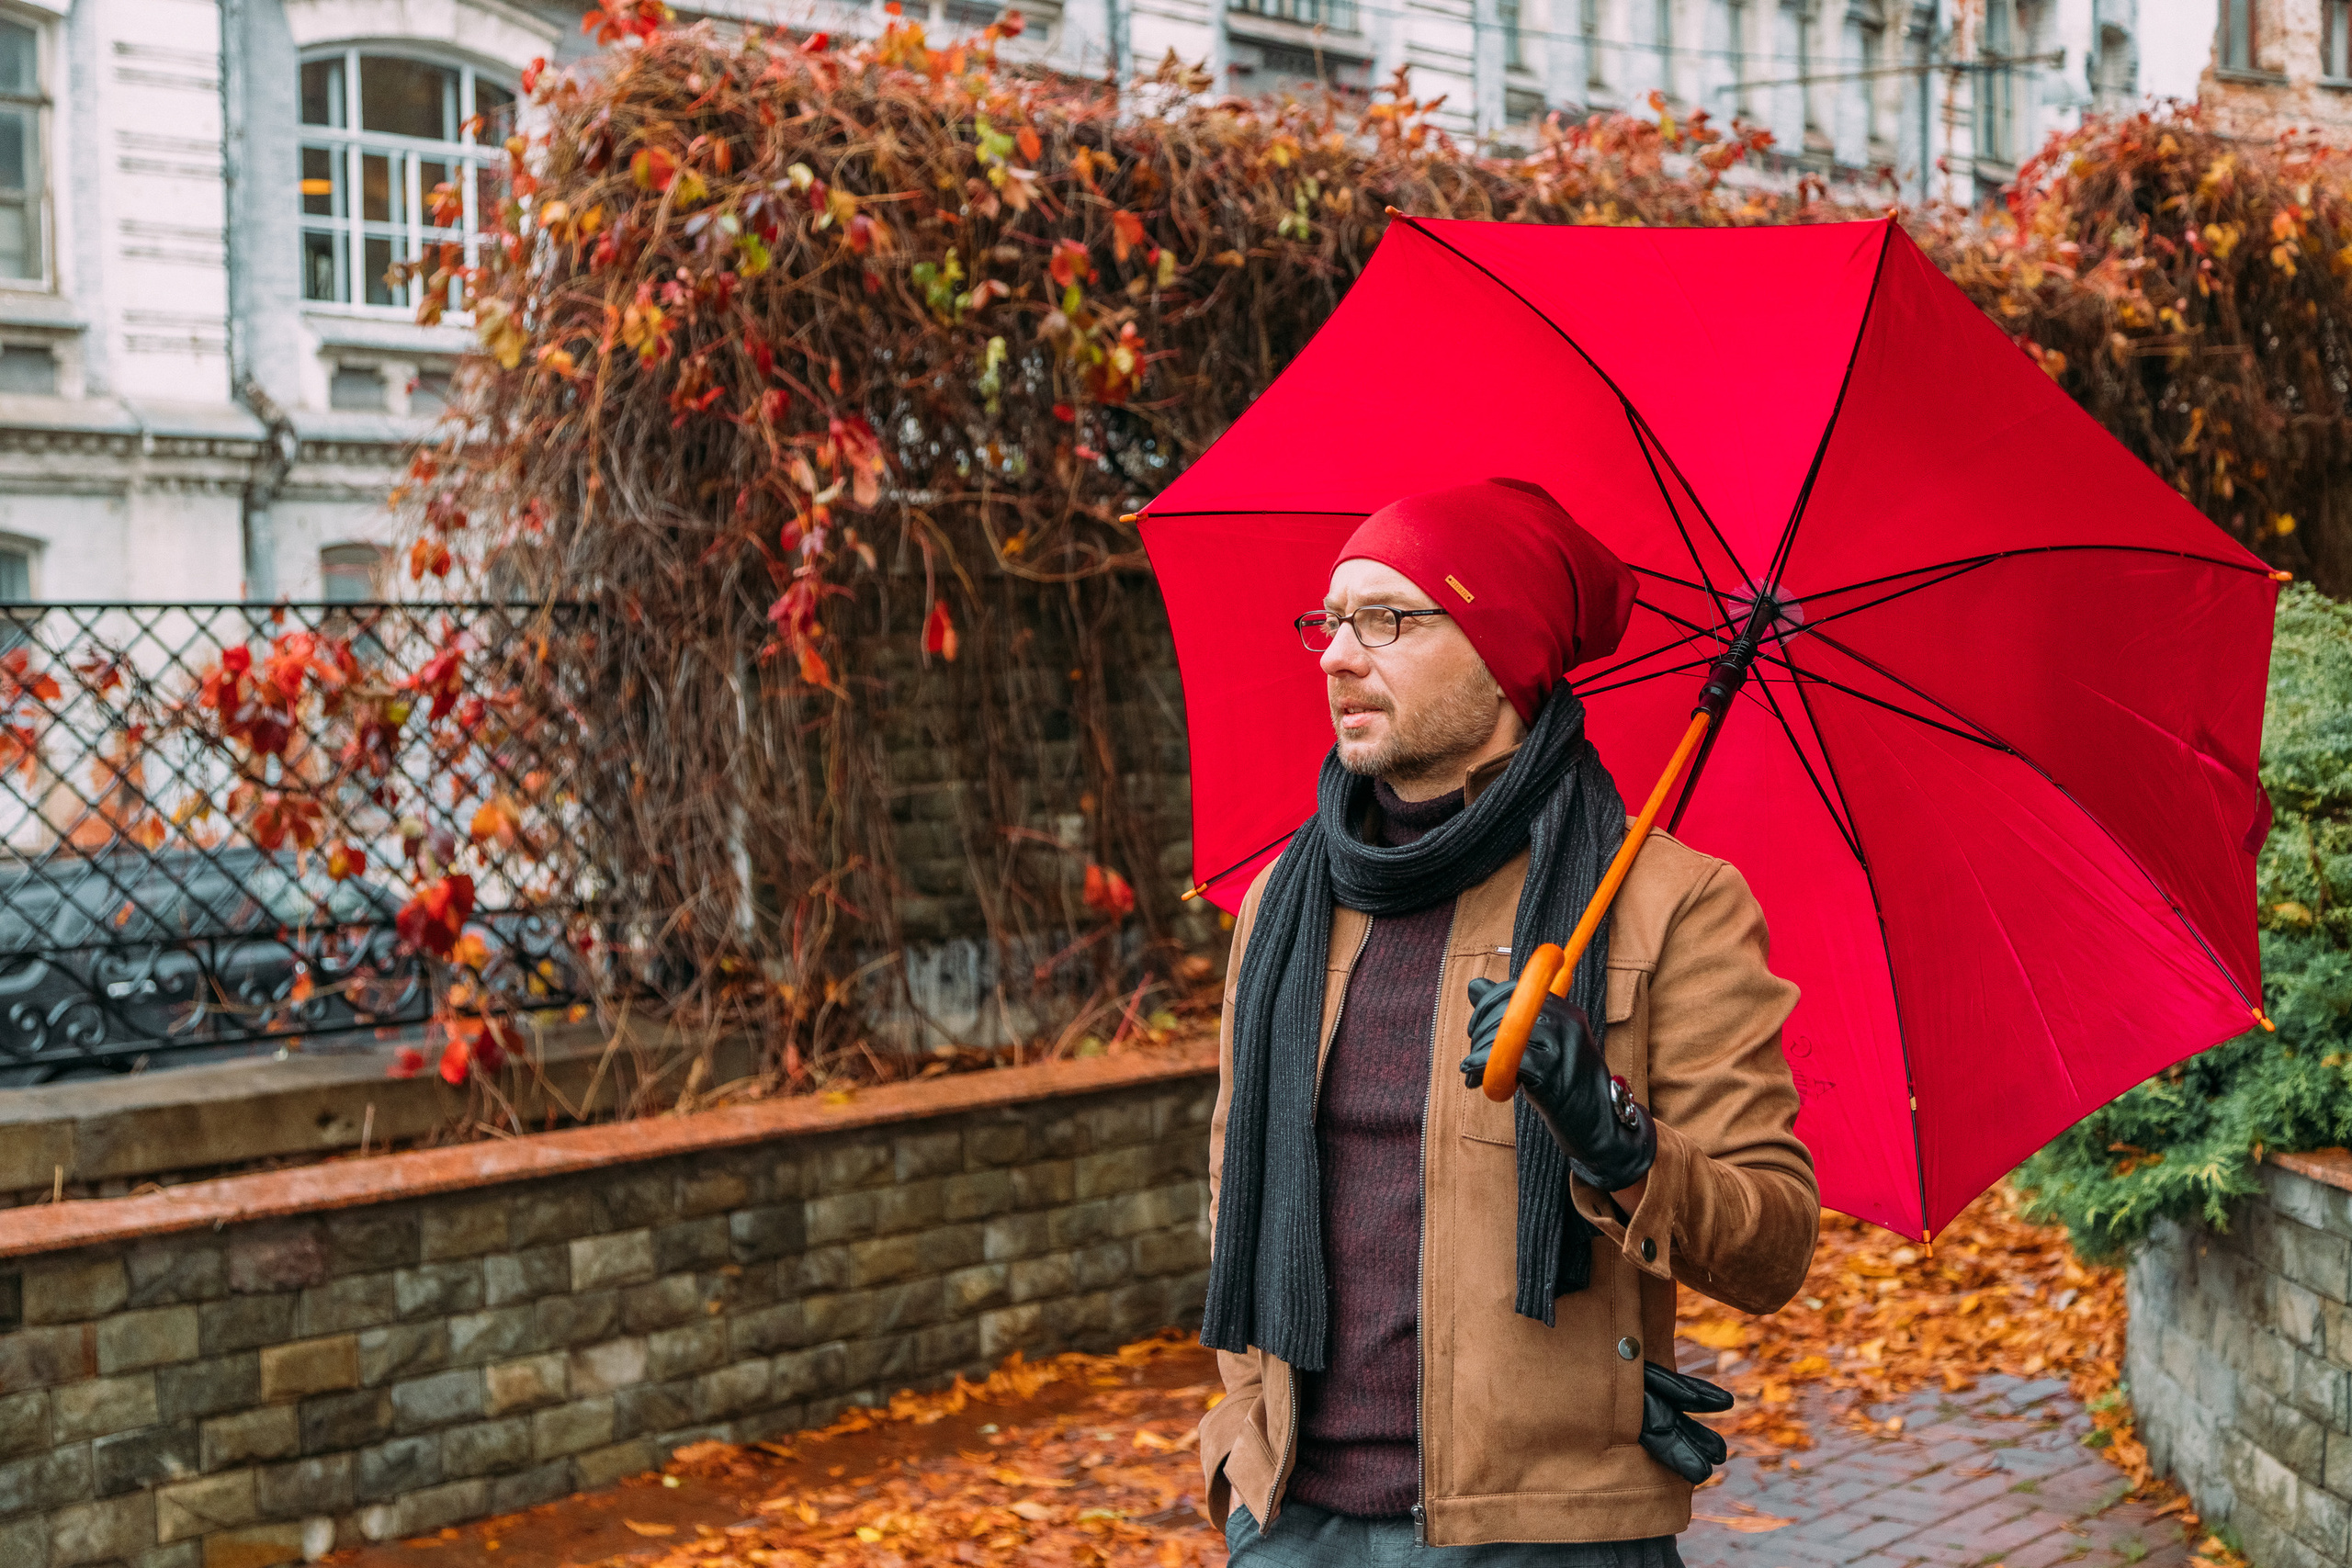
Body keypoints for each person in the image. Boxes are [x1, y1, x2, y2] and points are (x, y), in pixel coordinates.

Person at [1195, 478, 1820, 1565]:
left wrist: (1611, 1130)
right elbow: (1231, 1188)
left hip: (1544, 1538)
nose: (1339, 656)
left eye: (1388, 620)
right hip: (1295, 1522)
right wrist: (1240, 1460)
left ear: (1505, 655)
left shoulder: (1667, 905)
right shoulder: (1282, 907)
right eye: (1331, 622)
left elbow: (1770, 1245)